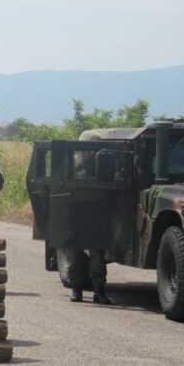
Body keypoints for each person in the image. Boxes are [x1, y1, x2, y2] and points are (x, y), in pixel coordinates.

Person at [64, 129, 112, 305]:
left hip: (97, 215)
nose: (92, 153)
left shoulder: (103, 166)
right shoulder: (72, 166)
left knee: (98, 256)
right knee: (75, 255)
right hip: (77, 215)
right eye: (89, 149)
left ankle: (99, 291)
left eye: (95, 149)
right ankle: (76, 289)